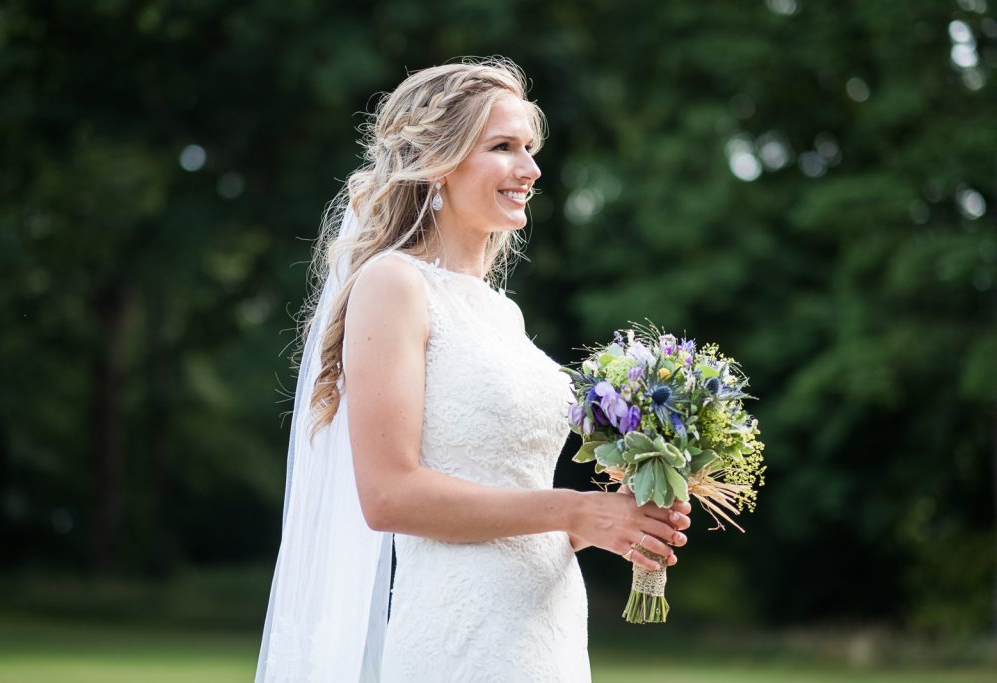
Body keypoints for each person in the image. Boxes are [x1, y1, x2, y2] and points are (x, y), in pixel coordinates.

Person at [256, 57, 691, 683]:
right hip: (459, 640)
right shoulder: (394, 284)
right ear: (441, 162)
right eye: (503, 147)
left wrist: (609, 522)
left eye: (531, 149)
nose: (531, 169)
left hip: (545, 632)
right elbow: (389, 495)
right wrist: (572, 510)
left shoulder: (501, 313)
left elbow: (514, 510)